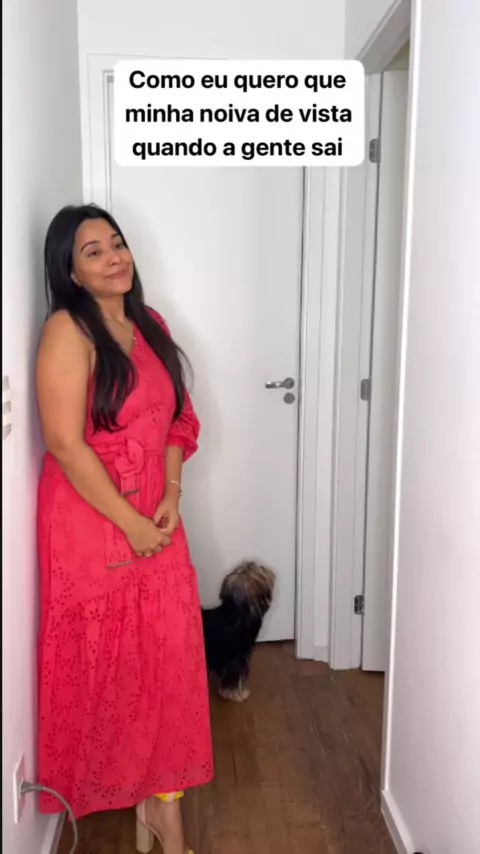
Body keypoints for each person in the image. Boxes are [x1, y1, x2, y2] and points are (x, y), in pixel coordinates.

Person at [36, 204, 213, 854]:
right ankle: (148, 806)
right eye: (93, 251)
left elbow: (179, 417)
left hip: (156, 516)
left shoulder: (150, 322)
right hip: (94, 523)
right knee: (116, 671)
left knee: (167, 664)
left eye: (117, 243)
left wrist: (171, 492)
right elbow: (64, 443)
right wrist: (132, 523)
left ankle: (161, 807)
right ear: (71, 272)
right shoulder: (67, 329)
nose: (114, 257)